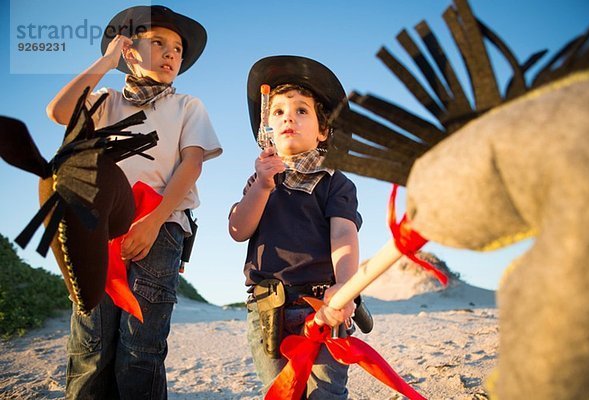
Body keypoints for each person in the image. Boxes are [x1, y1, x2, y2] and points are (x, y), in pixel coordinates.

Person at [46, 5, 222, 399]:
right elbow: (57, 112)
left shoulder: (187, 105)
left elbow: (191, 165)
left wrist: (155, 220)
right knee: (91, 345)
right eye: (158, 42)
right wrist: (106, 61)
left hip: (159, 228)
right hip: (97, 229)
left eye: (177, 48)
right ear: (129, 51)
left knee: (140, 348)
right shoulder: (105, 100)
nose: (172, 53)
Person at [228, 55, 362, 399]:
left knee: (326, 392)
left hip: (324, 304)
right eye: (278, 111)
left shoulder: (334, 182)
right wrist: (262, 186)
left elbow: (344, 235)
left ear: (322, 131)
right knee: (281, 391)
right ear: (266, 130)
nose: (288, 115)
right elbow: (238, 230)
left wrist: (345, 286)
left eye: (302, 110)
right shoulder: (260, 180)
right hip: (267, 308)